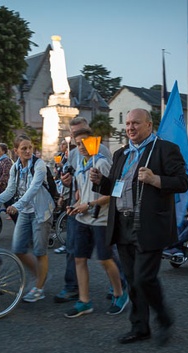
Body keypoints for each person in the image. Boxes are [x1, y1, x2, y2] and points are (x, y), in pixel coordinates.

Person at [89, 108, 188, 345]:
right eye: (128, 124)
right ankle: (140, 327)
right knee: (133, 280)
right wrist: (101, 182)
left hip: (149, 224)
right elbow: (115, 189)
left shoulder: (165, 150)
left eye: (136, 123)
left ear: (149, 125)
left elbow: (183, 182)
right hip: (122, 223)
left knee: (144, 278)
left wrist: (156, 179)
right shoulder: (121, 154)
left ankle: (164, 318)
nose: (130, 128)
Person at [63, 128, 128, 318]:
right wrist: (75, 206)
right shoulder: (81, 164)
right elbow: (83, 194)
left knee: (105, 259)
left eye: (85, 142)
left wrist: (89, 204)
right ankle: (84, 301)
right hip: (83, 217)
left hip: (101, 219)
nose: (81, 146)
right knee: (79, 258)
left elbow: (113, 193)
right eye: (78, 143)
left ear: (94, 142)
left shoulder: (103, 163)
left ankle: (119, 293)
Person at [0, 135, 55, 303]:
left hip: (41, 211)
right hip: (25, 211)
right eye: (23, 148)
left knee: (40, 251)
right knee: (18, 249)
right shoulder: (15, 168)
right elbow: (10, 191)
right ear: (16, 151)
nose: (27, 151)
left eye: (30, 147)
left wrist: (16, 206)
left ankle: (39, 288)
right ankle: (41, 276)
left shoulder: (39, 165)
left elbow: (33, 189)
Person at [54, 116, 113, 301]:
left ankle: (118, 287)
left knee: (106, 255)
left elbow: (109, 183)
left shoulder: (102, 152)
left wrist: (91, 199)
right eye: (73, 135)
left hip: (98, 210)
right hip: (77, 208)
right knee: (74, 250)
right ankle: (73, 288)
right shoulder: (73, 152)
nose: (78, 140)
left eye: (80, 133)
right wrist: (68, 184)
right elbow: (74, 176)